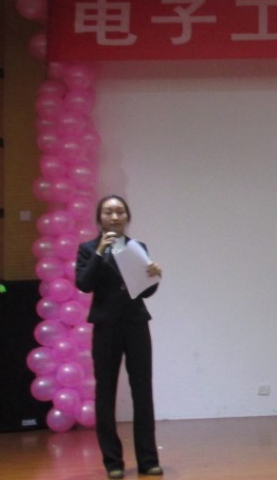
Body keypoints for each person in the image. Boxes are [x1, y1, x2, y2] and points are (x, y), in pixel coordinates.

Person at [75, 195, 164, 479]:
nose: (114, 217)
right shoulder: (88, 249)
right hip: (106, 326)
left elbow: (144, 290)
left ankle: (148, 460)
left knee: (143, 391)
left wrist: (154, 277)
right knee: (105, 392)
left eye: (120, 212)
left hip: (136, 324)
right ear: (99, 218)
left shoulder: (138, 247)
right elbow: (84, 284)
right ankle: (113, 462)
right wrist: (99, 253)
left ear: (127, 216)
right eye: (108, 212)